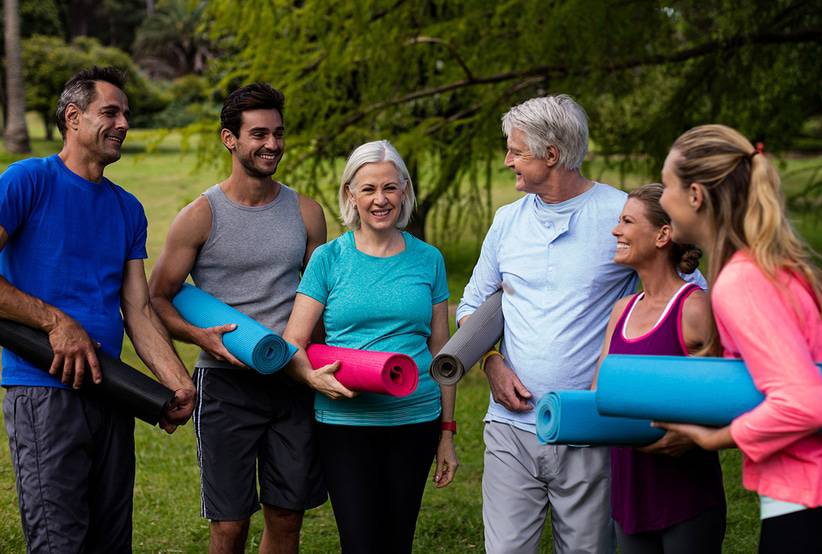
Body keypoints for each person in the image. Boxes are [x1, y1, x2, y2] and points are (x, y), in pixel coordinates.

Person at [458, 94, 703, 554]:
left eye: (516, 150)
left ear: (551, 155)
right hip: (510, 428)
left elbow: (686, 295)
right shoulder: (506, 221)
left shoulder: (620, 215)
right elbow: (471, 304)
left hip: (591, 429)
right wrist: (491, 362)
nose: (507, 159)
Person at [0, 66, 195, 553]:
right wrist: (55, 321)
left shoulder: (127, 208)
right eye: (110, 112)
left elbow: (138, 309)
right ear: (73, 117)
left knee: (111, 542)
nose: (124, 122)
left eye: (127, 113)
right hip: (44, 391)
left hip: (110, 391)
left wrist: (176, 380)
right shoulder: (28, 181)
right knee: (59, 542)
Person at [655, 124, 822, 553]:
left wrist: (711, 438)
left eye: (666, 186)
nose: (662, 200)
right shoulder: (768, 267)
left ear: (696, 195)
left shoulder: (741, 281)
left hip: (812, 501)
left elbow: (804, 402)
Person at [148, 83, 328, 554]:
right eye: (260, 134)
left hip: (291, 379)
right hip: (226, 385)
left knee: (287, 517)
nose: (272, 145)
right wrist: (200, 337)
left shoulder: (307, 213)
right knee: (230, 525)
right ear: (230, 139)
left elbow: (321, 301)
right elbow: (158, 299)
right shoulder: (199, 217)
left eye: (279, 133)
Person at [282, 139, 459, 554]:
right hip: (346, 425)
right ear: (350, 195)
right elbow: (294, 340)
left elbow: (442, 352)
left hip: (416, 420)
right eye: (368, 189)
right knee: (360, 543)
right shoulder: (329, 258)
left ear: (404, 191)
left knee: (397, 542)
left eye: (390, 188)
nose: (381, 200)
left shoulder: (428, 259)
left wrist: (447, 432)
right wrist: (311, 377)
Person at [592, 183, 725, 553]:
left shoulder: (695, 309)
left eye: (628, 221)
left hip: (686, 497)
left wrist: (696, 434)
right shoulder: (622, 310)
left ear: (664, 235)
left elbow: (738, 393)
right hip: (630, 496)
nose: (616, 231)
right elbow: (597, 395)